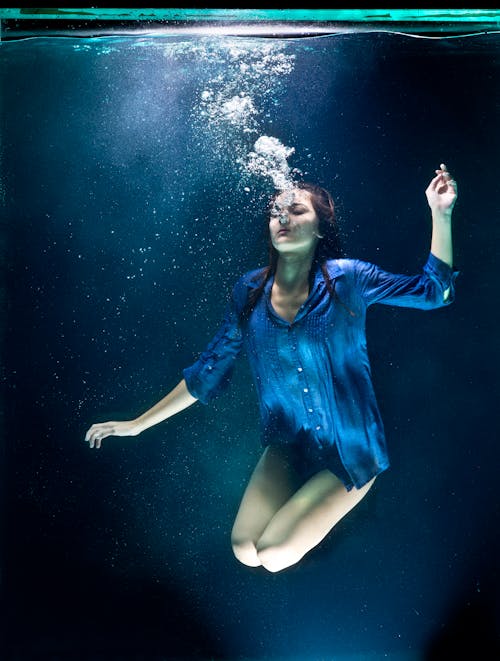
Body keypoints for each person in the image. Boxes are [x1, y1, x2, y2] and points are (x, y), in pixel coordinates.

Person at [85, 163, 458, 573]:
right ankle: (305, 507)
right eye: (277, 211)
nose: (283, 217)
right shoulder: (249, 290)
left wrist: (440, 213)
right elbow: (208, 371)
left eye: (297, 211)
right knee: (246, 549)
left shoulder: (349, 278)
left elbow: (433, 292)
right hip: (288, 446)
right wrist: (138, 423)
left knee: (275, 553)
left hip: (351, 449)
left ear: (320, 228)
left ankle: (330, 508)